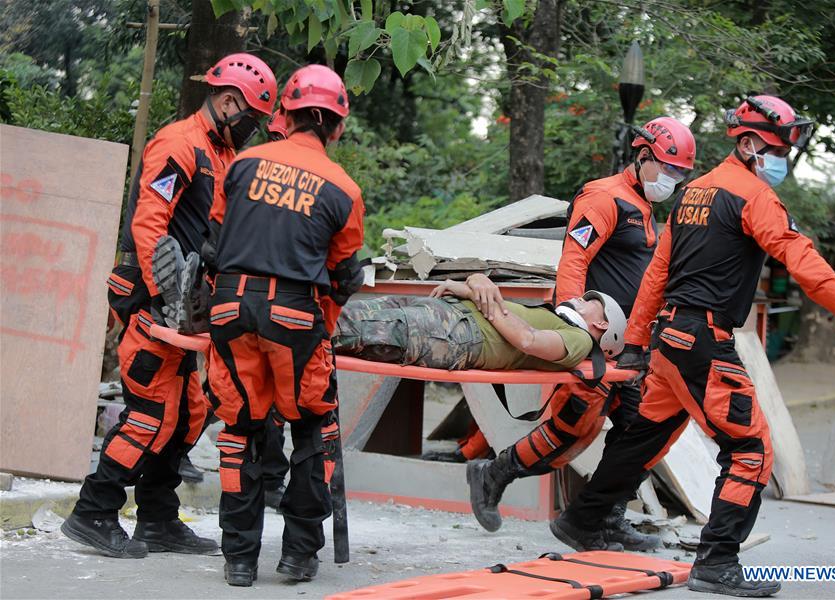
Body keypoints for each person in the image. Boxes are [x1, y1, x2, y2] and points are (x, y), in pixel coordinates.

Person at [552, 95, 835, 597]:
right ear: (749, 143)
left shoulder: (692, 194)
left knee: (646, 437)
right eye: (778, 148)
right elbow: (801, 259)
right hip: (704, 344)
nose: (783, 160)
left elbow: (656, 277)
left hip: (670, 341)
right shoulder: (753, 197)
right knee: (750, 449)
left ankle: (582, 519)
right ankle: (717, 561)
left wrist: (641, 342)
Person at [61, 53, 277, 559]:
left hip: (188, 309)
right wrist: (164, 298)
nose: (252, 130)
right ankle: (93, 510)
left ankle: (157, 518)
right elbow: (148, 223)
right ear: (228, 102)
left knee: (189, 412)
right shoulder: (180, 144)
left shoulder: (220, 153)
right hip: (155, 303)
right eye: (250, 119)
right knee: (151, 413)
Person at [465, 117, 696, 541]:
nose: (673, 180)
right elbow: (574, 261)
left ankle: (606, 520)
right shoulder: (605, 197)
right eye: (668, 169)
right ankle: (493, 474)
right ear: (643, 156)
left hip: (627, 344)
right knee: (571, 430)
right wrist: (577, 329)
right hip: (595, 338)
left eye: (681, 173)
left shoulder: (642, 206)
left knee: (635, 431)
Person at [205, 64, 364, 587]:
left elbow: (214, 243)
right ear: (336, 126)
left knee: (241, 429)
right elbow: (342, 278)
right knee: (314, 428)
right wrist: (323, 330)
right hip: (295, 315)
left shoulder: (242, 164)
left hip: (229, 309)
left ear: (284, 114)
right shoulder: (344, 189)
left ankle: (239, 561)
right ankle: (298, 554)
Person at [333, 284, 625, 373]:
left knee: (345, 329)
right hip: (448, 312)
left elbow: (527, 339)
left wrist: (478, 294)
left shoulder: (580, 341)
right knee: (336, 316)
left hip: (457, 334)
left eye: (590, 301)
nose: (579, 297)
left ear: (601, 324)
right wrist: (471, 284)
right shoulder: (555, 319)